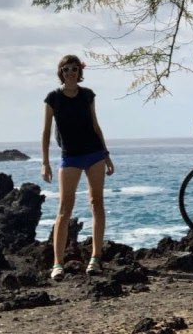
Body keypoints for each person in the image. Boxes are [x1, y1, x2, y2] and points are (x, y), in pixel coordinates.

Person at [41, 53, 114, 280]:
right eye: (66, 69)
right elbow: (45, 132)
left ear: (79, 72)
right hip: (70, 157)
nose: (70, 72)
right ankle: (57, 263)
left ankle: (95, 258)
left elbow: (95, 125)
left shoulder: (87, 95)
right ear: (61, 73)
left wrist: (106, 155)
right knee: (64, 210)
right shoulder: (53, 98)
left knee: (96, 203)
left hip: (94, 154)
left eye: (74, 69)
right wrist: (45, 163)